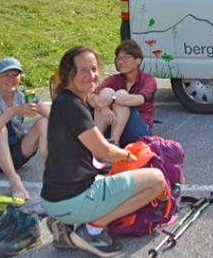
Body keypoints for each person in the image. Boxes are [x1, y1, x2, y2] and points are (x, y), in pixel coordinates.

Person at [41, 46, 165, 257]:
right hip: (74, 199)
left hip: (52, 198)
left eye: (94, 69)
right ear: (68, 74)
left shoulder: (64, 101)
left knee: (113, 175)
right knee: (157, 180)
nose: (91, 75)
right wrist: (128, 155)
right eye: (83, 70)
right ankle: (94, 229)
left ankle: (67, 223)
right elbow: (104, 151)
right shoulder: (73, 106)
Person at [0, 57, 50, 200]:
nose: (11, 79)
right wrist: (11, 112)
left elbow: (53, 116)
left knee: (44, 122)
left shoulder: (24, 96)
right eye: (6, 75)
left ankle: (50, 168)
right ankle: (14, 180)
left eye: (15, 75)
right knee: (0, 129)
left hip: (14, 155)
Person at [95, 40, 158, 146]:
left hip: (138, 129)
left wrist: (113, 98)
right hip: (113, 124)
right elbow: (91, 96)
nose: (121, 62)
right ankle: (95, 144)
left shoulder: (148, 80)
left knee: (121, 96)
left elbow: (140, 99)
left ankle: (113, 145)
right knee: (106, 91)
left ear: (138, 60)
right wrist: (104, 108)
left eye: (126, 58)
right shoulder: (114, 79)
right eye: (119, 58)